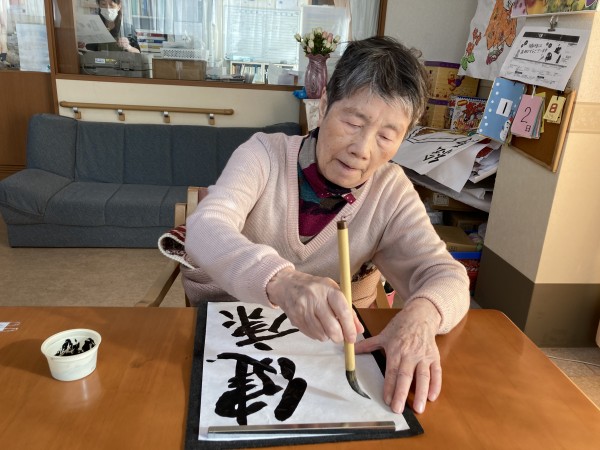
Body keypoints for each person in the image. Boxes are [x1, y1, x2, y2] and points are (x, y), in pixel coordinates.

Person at [183, 36, 470, 415]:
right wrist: (282, 282)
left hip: (325, 353)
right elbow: (205, 227)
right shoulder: (264, 154)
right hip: (228, 336)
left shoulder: (390, 190)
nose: (362, 149)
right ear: (324, 106)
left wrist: (420, 317)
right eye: (353, 122)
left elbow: (446, 275)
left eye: (387, 136)